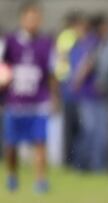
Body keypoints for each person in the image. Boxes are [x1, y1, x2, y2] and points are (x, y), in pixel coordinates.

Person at [1, 1, 58, 193]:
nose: (32, 22)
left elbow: (51, 73)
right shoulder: (9, 42)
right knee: (11, 145)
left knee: (40, 142)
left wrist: (54, 98)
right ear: (22, 19)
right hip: (15, 102)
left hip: (38, 102)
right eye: (29, 18)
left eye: (36, 18)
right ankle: (12, 175)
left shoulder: (45, 43)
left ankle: (41, 181)